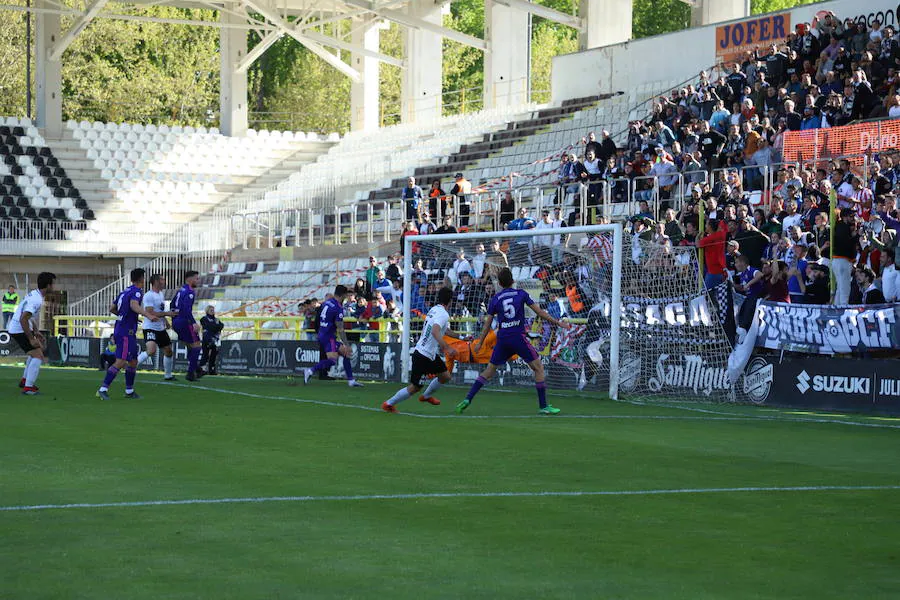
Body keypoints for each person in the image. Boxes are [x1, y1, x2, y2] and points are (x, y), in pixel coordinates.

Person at [456, 267, 571, 415]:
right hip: (518, 337)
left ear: (500, 284)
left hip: (503, 338)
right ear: (513, 281)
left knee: (489, 371)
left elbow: (487, 324)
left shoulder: (495, 299)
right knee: (538, 368)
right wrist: (558, 322)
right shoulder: (521, 294)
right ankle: (543, 406)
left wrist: (479, 343)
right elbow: (540, 312)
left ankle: (467, 399)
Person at [382, 287, 467, 412]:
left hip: (428, 354)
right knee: (415, 387)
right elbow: (435, 331)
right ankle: (388, 404)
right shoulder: (443, 314)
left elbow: (443, 330)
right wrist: (447, 348)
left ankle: (426, 396)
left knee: (445, 376)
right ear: (450, 301)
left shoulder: (435, 310)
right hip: (423, 355)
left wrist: (462, 337)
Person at [97, 268, 158, 400]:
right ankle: (102, 389)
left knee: (133, 361)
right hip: (125, 331)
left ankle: (129, 391)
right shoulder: (137, 291)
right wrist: (148, 315)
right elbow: (134, 305)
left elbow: (112, 308)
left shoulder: (125, 291)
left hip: (124, 329)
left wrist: (125, 316)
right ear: (142, 278)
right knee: (120, 361)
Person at [303, 285, 363, 387]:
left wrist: (318, 331)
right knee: (332, 360)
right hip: (328, 336)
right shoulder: (338, 308)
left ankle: (351, 380)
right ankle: (310, 370)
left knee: (346, 353)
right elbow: (340, 328)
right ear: (343, 295)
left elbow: (317, 318)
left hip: (322, 333)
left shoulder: (326, 303)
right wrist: (347, 343)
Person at [10, 272, 55, 395]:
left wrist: (35, 331)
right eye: (53, 284)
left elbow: (29, 316)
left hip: (19, 327)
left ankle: (25, 381)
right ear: (48, 285)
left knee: (35, 352)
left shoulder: (34, 294)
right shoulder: (36, 299)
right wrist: (31, 338)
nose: (54, 287)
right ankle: (28, 388)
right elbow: (23, 318)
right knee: (38, 355)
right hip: (19, 329)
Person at [135, 274, 177, 381]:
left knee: (168, 351)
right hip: (150, 327)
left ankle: (168, 375)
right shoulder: (149, 295)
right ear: (156, 282)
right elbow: (150, 312)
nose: (164, 281)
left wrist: (165, 321)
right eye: (162, 279)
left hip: (160, 328)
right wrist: (167, 314)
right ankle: (131, 366)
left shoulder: (161, 294)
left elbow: (159, 310)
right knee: (151, 350)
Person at [172, 270, 204, 381]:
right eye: (196, 278)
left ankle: (197, 369)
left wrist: (174, 319)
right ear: (189, 279)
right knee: (197, 345)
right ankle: (191, 373)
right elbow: (186, 309)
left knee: (190, 346)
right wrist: (193, 322)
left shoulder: (180, 290)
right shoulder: (190, 292)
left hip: (176, 321)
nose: (198, 281)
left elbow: (172, 304)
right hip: (185, 321)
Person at [199, 305, 224, 375]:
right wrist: (215, 327)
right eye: (211, 310)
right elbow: (209, 326)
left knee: (214, 355)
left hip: (215, 339)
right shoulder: (204, 319)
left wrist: (214, 327)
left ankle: (212, 369)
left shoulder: (216, 319)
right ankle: (202, 369)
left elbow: (221, 326)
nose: (213, 312)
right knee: (205, 354)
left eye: (213, 310)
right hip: (206, 339)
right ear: (207, 311)